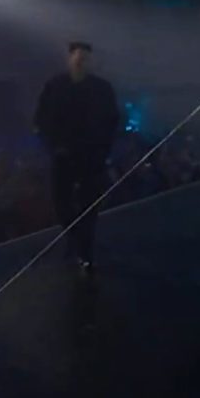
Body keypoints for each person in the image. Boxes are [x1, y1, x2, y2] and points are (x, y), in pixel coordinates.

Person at [34, 41, 120, 277]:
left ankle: (85, 252)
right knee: (61, 204)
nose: (81, 61)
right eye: (78, 57)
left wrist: (103, 151)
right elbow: (41, 119)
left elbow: (112, 121)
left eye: (85, 58)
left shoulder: (102, 88)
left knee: (89, 207)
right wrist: (53, 146)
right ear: (69, 58)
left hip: (92, 158)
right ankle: (77, 242)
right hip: (62, 156)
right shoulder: (55, 85)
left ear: (91, 62)